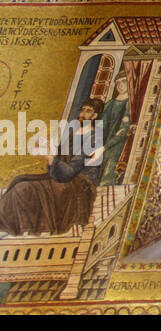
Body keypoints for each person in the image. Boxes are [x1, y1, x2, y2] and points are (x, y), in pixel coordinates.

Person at [0, 99, 103, 236]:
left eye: (88, 111)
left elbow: (70, 171)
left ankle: (22, 227)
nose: (83, 114)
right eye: (82, 109)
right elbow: (59, 163)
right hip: (63, 177)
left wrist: (51, 158)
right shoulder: (75, 134)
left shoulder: (92, 137)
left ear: (95, 116)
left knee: (24, 188)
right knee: (20, 179)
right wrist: (49, 151)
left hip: (78, 184)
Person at [98, 74, 132, 186]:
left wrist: (105, 146)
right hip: (104, 142)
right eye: (118, 83)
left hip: (118, 145)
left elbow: (123, 129)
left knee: (109, 175)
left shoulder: (129, 104)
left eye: (124, 82)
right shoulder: (110, 104)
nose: (121, 85)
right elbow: (101, 125)